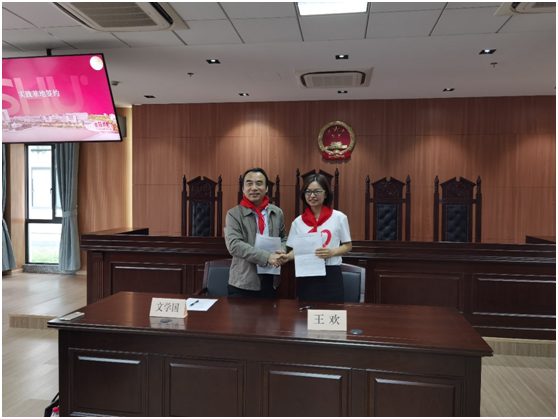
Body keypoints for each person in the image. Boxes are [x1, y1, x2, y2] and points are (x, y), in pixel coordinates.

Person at [281, 173, 352, 302]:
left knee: (333, 312)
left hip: (331, 275)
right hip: (307, 274)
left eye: (317, 191)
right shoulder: (298, 222)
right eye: (308, 192)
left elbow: (348, 246)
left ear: (326, 193)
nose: (312, 196)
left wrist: (332, 252)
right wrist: (287, 257)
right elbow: (296, 250)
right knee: (305, 313)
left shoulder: (339, 217)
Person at [224, 168, 287, 298]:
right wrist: (267, 257)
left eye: (259, 183)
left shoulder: (277, 212)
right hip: (243, 282)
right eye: (249, 183)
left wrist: (282, 251)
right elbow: (234, 245)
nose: (254, 188)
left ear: (266, 188)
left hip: (271, 280)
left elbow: (283, 237)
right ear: (243, 189)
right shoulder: (233, 214)